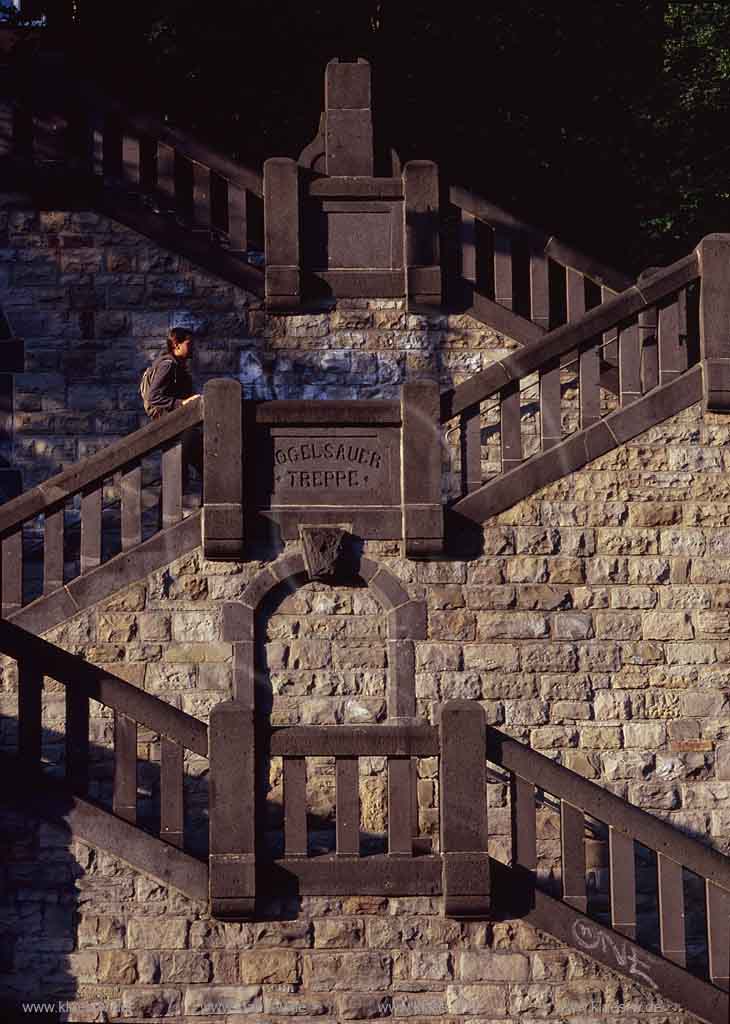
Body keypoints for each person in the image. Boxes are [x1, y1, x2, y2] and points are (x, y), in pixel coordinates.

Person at [145, 327, 203, 496]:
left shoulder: (179, 366)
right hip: (174, 427)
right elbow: (153, 396)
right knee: (179, 475)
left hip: (181, 426)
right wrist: (181, 403)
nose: (192, 347)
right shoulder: (168, 366)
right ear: (177, 344)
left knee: (190, 471)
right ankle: (166, 521)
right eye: (189, 343)